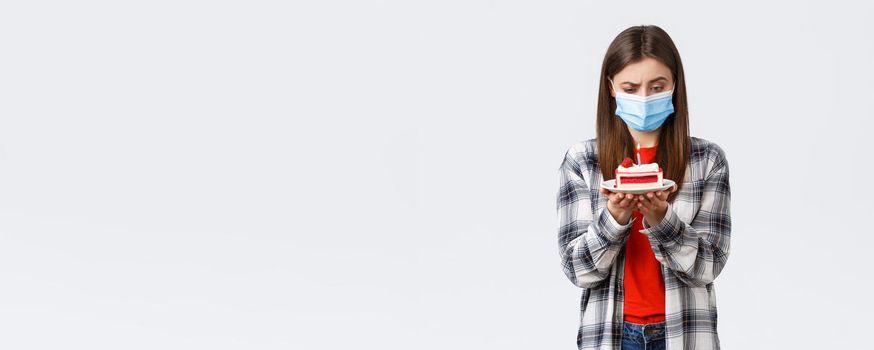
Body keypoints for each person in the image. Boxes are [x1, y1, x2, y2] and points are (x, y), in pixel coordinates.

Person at [556, 25, 731, 350]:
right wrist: (616, 217)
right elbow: (577, 270)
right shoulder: (582, 161)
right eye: (631, 87)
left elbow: (708, 266)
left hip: (686, 332)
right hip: (612, 334)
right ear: (611, 88)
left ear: (675, 86)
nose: (644, 98)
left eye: (657, 86)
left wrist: (662, 219)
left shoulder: (707, 160)